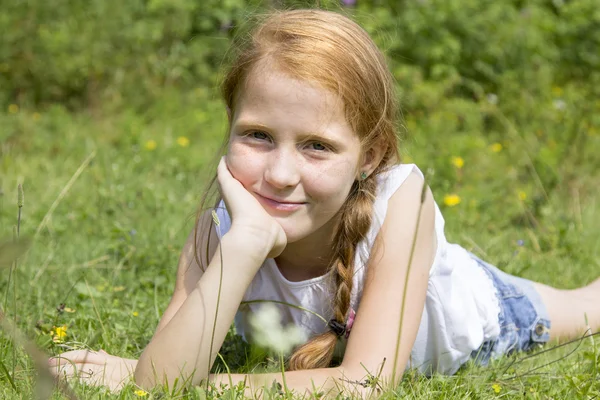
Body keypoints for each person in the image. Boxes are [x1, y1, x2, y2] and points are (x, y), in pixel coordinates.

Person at [49, 9, 600, 397]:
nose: (280, 174)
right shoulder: (219, 227)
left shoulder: (402, 199)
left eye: (317, 146)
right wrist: (242, 248)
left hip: (488, 311)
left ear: (370, 155)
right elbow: (162, 382)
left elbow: (364, 384)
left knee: (588, 307)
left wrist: (188, 381)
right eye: (258, 135)